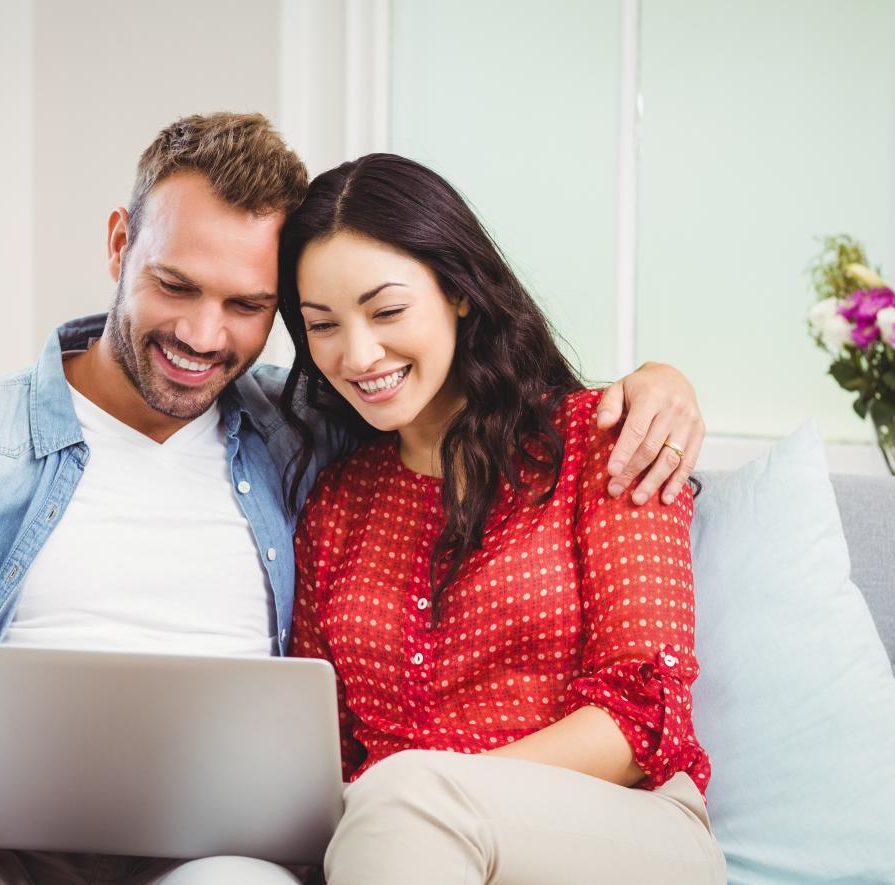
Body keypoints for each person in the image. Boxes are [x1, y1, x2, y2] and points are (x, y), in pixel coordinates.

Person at [0, 114, 705, 885]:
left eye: (249, 306)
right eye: (176, 285)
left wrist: (664, 377)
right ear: (120, 244)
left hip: (250, 850)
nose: (204, 335)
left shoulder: (306, 443)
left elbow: (634, 699)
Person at [279, 153, 725, 884]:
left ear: (459, 290)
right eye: (322, 324)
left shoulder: (603, 438)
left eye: (387, 310)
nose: (357, 353)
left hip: (627, 826)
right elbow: (320, 740)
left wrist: (418, 793)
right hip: (398, 841)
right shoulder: (336, 501)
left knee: (402, 801)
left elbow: (640, 715)